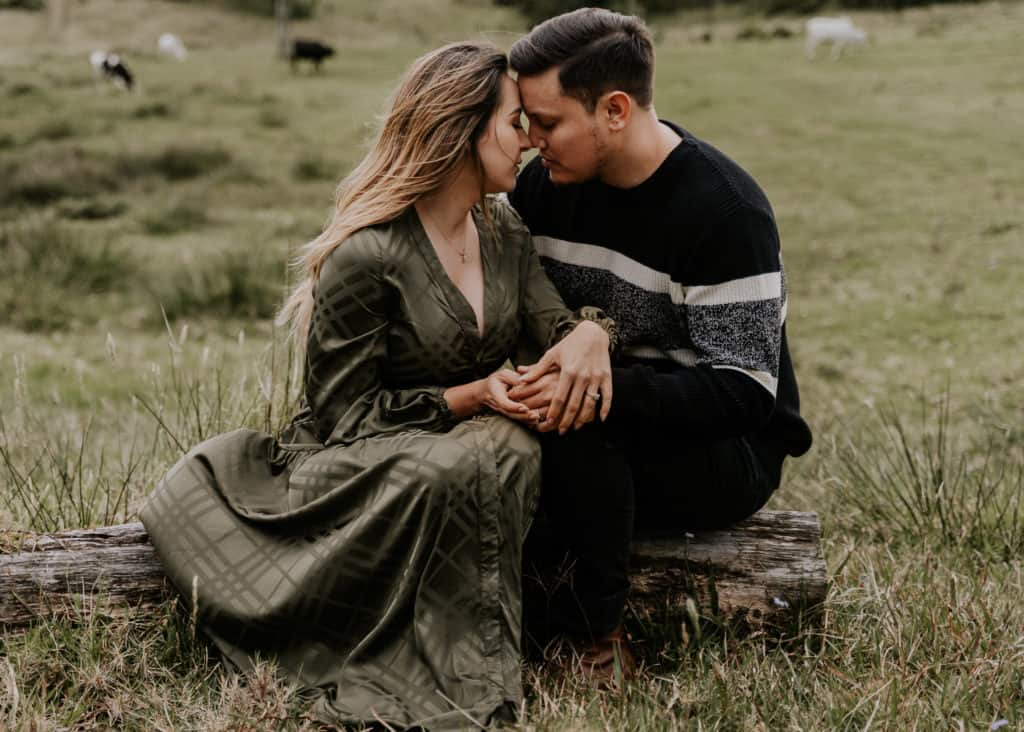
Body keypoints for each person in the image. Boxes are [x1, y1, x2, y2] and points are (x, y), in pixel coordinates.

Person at [139, 42, 616, 731]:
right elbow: (342, 417)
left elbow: (556, 328)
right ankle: (429, 677)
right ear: (462, 128)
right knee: (461, 463)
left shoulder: (505, 232)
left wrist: (592, 334)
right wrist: (470, 397)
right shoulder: (368, 254)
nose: (529, 142)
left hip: (454, 446)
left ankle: (481, 657)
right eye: (515, 123)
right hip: (356, 459)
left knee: (501, 452)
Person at [505, 8, 814, 682]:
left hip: (725, 449)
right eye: (525, 122)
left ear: (615, 110)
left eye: (547, 122)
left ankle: (596, 644)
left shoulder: (724, 212)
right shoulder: (543, 188)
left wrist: (602, 387)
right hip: (594, 418)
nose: (530, 141)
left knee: (581, 427)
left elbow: (744, 394)